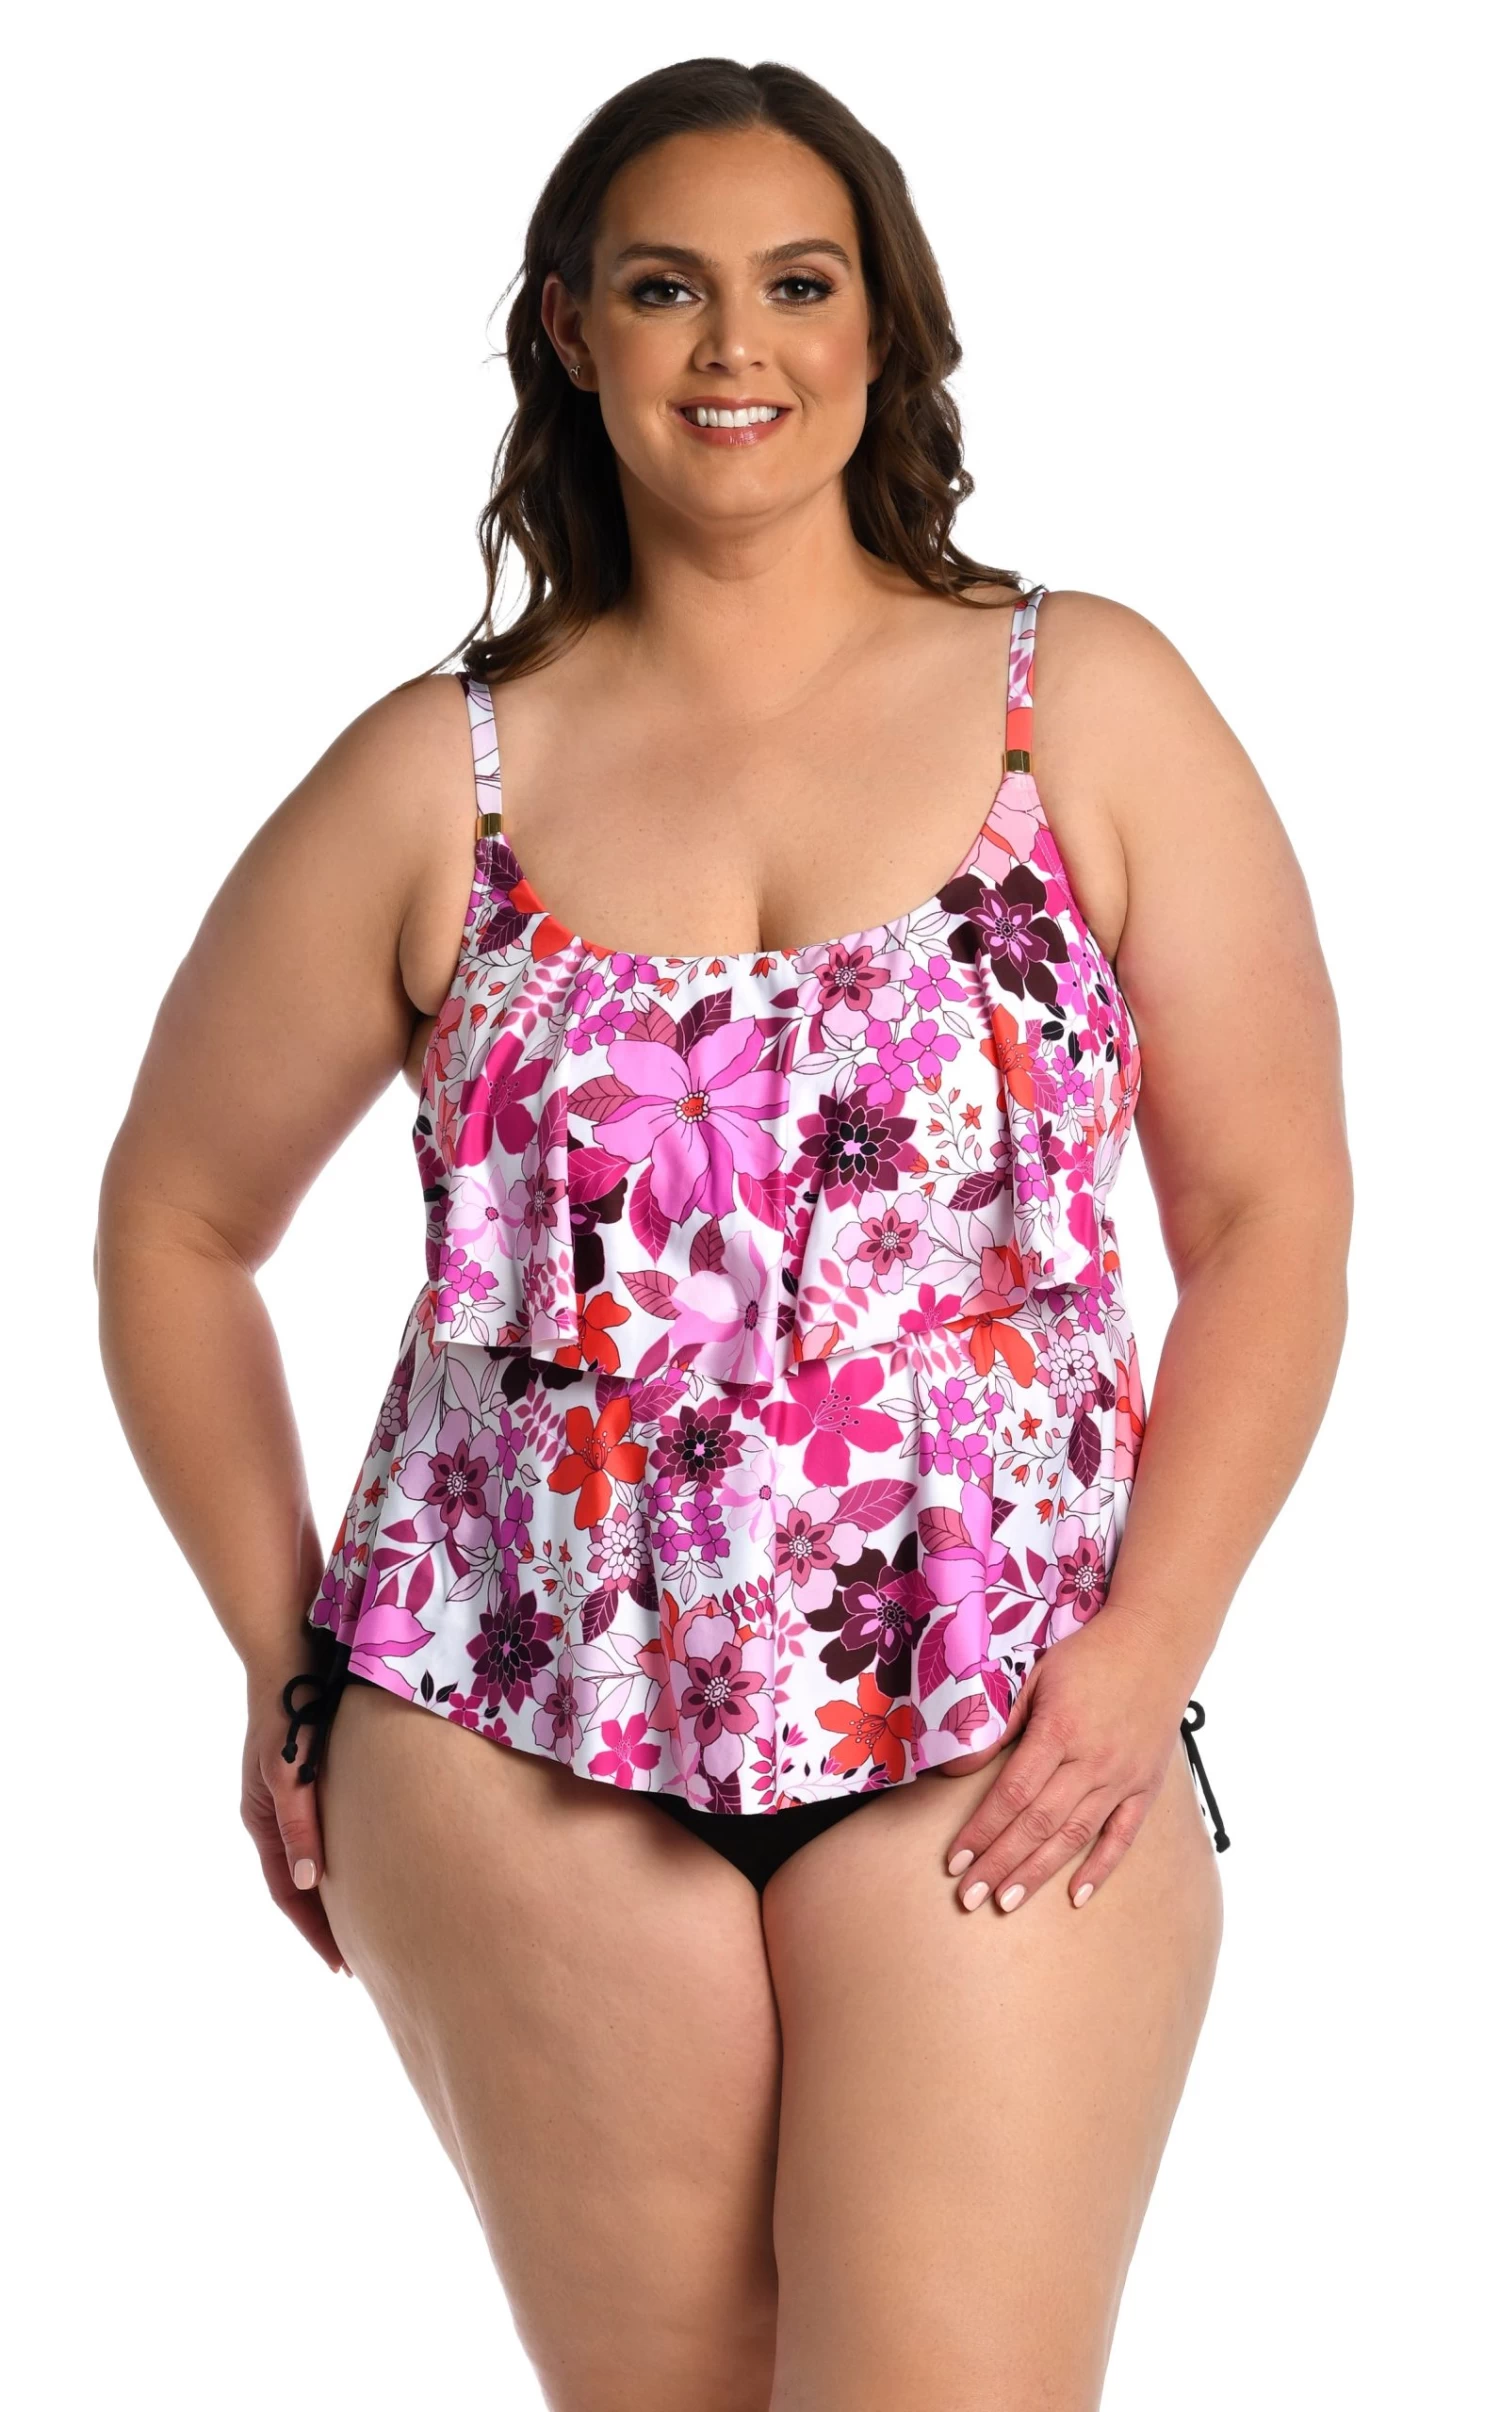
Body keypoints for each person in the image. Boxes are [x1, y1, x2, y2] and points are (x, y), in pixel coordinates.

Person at [95, 55, 1352, 2412]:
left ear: (885, 330)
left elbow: (1274, 1215)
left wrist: (1150, 1646)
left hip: (1000, 1715)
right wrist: (286, 1670)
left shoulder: (1084, 703)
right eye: (667, 288)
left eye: (799, 283)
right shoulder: (439, 774)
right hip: (509, 1738)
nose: (735, 345)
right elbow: (169, 1222)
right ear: (571, 330)